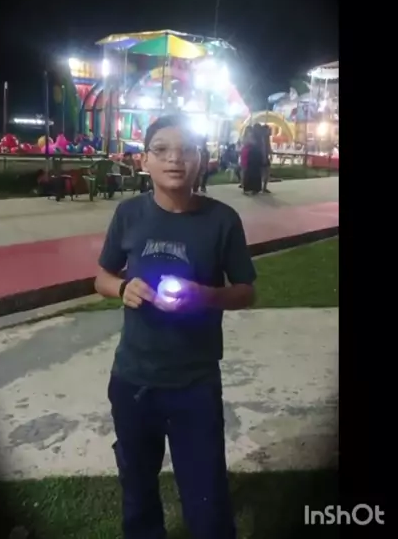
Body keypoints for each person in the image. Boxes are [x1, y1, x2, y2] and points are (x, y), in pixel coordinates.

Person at [95, 114, 256, 539]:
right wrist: (123, 288)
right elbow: (101, 277)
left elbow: (246, 291)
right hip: (133, 378)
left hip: (195, 381)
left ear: (202, 159)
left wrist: (204, 296)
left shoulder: (222, 220)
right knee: (137, 486)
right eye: (162, 149)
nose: (174, 159)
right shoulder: (129, 214)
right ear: (144, 160)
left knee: (207, 493)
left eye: (186, 149)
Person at [242, 125, 263, 195]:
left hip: (253, 154)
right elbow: (249, 142)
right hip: (250, 154)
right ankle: (248, 187)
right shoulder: (250, 136)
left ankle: (254, 188)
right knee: (248, 171)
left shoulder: (257, 137)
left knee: (253, 172)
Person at [261, 125, 272, 193]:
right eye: (268, 129)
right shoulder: (264, 138)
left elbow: (268, 147)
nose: (270, 131)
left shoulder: (267, 138)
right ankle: (263, 187)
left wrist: (270, 154)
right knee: (265, 171)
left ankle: (264, 187)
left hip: (265, 156)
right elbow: (264, 148)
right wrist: (264, 157)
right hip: (263, 156)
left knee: (266, 172)